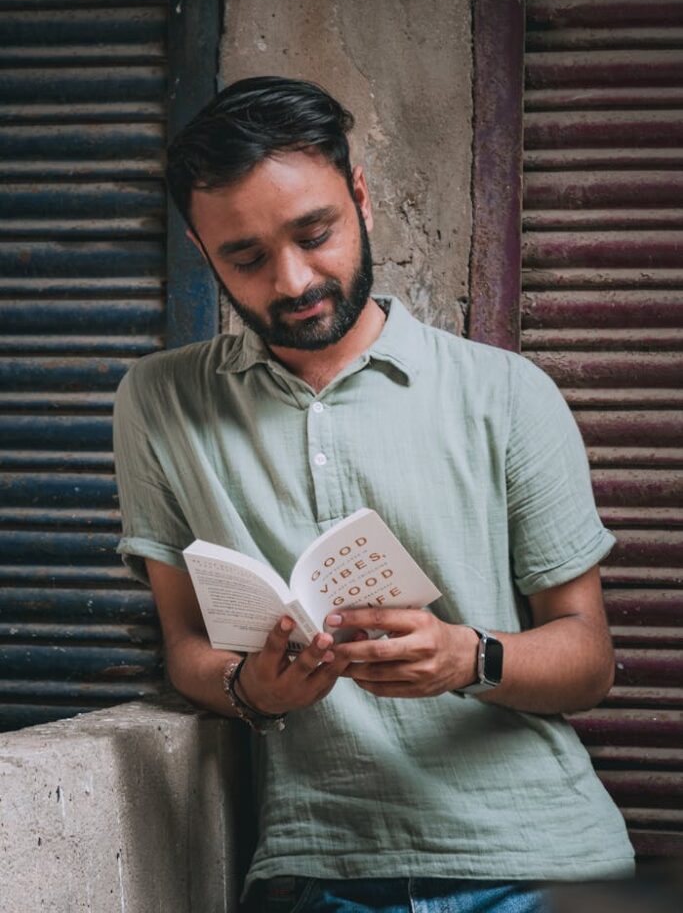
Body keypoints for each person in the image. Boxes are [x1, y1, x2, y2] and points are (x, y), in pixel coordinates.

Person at [113, 76, 635, 912]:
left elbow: (587, 658)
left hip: (543, 862)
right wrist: (254, 689)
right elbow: (184, 648)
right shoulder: (160, 400)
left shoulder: (503, 391)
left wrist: (468, 657)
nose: (291, 281)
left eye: (314, 233)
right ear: (200, 248)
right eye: (244, 258)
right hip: (318, 868)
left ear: (358, 195)